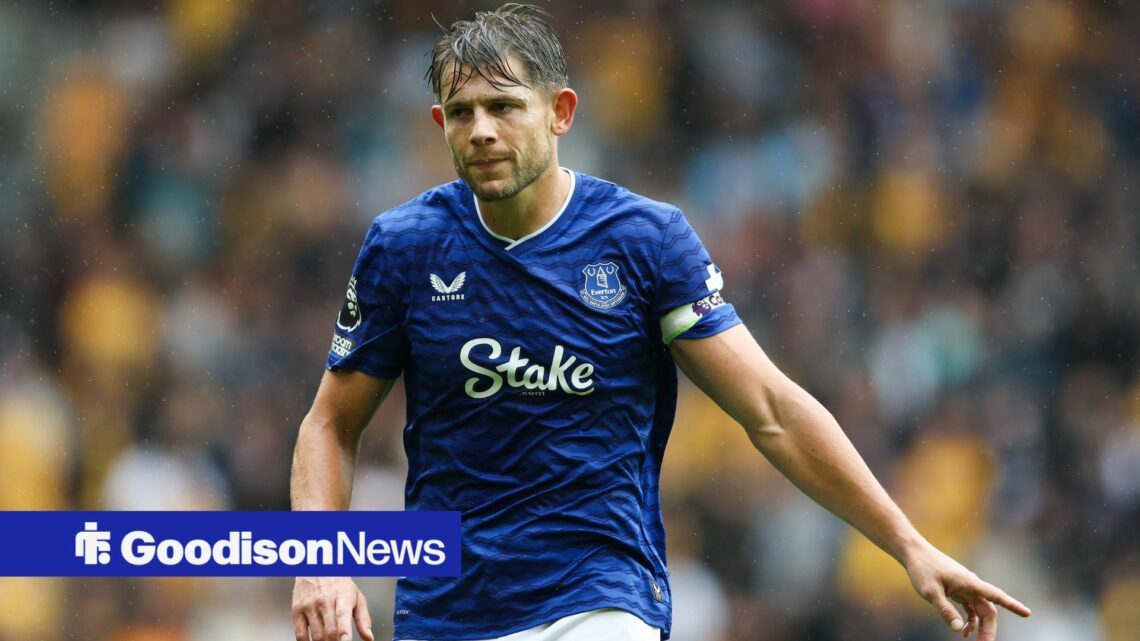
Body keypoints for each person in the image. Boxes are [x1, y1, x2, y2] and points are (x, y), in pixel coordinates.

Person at [290, 4, 1031, 641]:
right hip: (447, 608)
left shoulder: (644, 242)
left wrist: (908, 543)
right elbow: (331, 424)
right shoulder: (404, 246)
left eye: (504, 106)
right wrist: (319, 566)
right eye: (462, 113)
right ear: (439, 125)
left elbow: (771, 409)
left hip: (599, 597)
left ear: (560, 111)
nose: (481, 130)